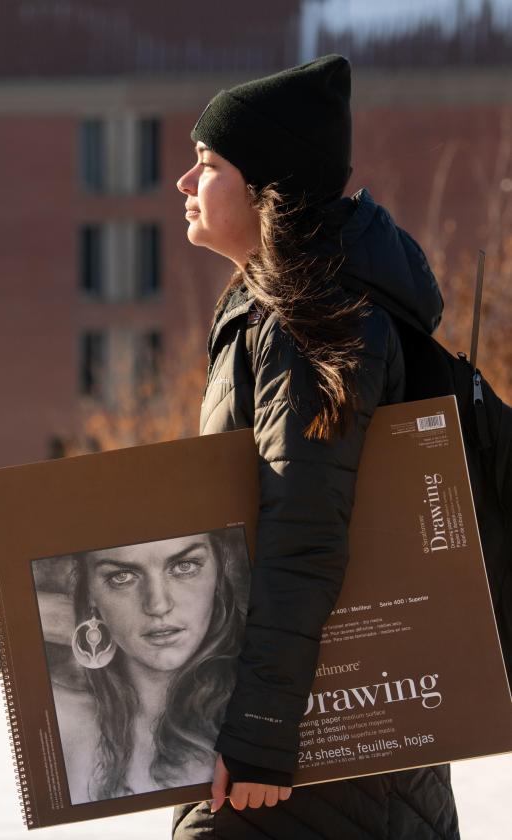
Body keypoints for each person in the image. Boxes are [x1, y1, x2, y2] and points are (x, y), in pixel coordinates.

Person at [172, 55, 461, 839]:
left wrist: (262, 730)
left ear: (269, 189)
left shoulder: (308, 323)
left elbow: (303, 535)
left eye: (208, 163)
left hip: (300, 760)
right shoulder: (293, 307)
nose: (185, 183)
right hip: (331, 746)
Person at [36, 529, 248, 803]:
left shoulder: (261, 709)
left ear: (219, 574)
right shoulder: (59, 723)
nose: (158, 605)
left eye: (185, 566)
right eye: (121, 577)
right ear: (89, 591)